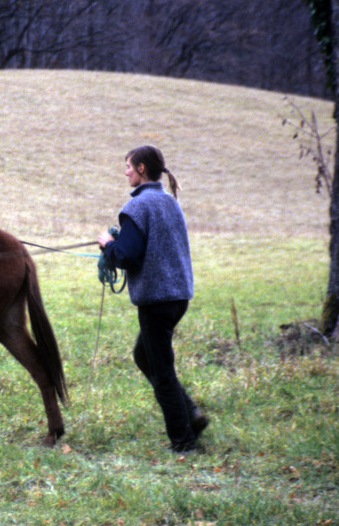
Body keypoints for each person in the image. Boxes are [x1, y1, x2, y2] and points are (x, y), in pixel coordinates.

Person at [97, 145, 208, 453]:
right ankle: (192, 416)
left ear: (142, 168)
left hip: (156, 301)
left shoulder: (136, 208)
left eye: (129, 166)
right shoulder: (170, 202)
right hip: (178, 297)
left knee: (161, 371)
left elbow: (127, 257)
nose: (126, 171)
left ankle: (184, 442)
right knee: (144, 356)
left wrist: (108, 245)